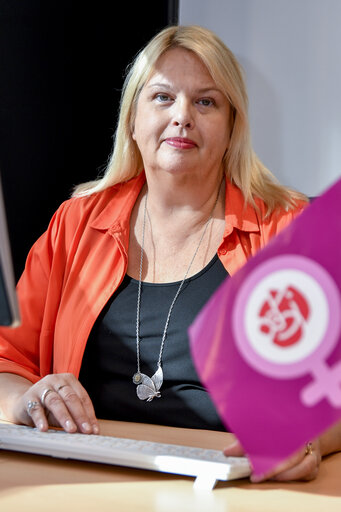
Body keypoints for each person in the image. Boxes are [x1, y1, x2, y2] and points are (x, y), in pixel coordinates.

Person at [0, 25, 339, 482]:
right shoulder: (76, 223)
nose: (182, 116)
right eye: (162, 97)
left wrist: (305, 436)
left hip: (235, 483)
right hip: (89, 475)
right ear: (132, 121)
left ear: (232, 127)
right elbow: (7, 362)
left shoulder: (287, 227)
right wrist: (26, 399)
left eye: (206, 102)